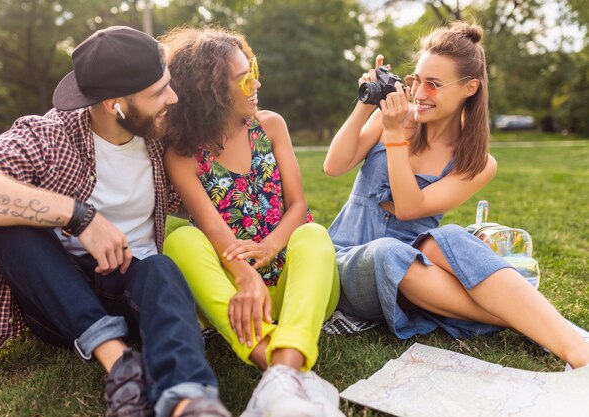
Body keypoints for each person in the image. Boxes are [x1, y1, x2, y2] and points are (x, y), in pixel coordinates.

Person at [0, 26, 231, 417]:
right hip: (59, 303)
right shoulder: (50, 136)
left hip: (135, 294)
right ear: (113, 104)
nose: (171, 99)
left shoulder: (162, 135)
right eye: (158, 92)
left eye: (168, 85)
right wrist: (80, 217)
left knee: (159, 266)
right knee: (8, 221)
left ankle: (189, 398)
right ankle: (119, 361)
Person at [324, 21, 589, 370]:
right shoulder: (392, 119)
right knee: (389, 252)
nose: (419, 94)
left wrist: (394, 137)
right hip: (349, 263)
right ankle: (540, 323)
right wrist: (368, 103)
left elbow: (408, 209)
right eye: (416, 80)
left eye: (433, 85)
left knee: (446, 237)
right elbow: (334, 165)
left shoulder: (477, 162)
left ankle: (576, 351)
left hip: (415, 277)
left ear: (470, 88)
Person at [160, 27, 344, 417]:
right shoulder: (183, 155)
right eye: (244, 78)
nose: (256, 82)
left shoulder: (271, 125)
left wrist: (270, 246)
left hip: (302, 288)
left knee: (313, 233)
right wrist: (244, 275)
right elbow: (211, 227)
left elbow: (298, 206)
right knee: (180, 241)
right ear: (209, 91)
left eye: (253, 68)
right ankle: (281, 370)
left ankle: (282, 373)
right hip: (238, 294)